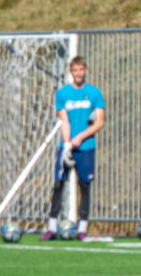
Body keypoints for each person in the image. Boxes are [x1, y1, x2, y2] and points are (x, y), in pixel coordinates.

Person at [40, 56, 105, 242]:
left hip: (86, 148)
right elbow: (64, 121)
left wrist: (80, 138)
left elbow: (99, 122)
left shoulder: (94, 93)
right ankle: (52, 228)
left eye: (81, 69)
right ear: (71, 72)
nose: (78, 73)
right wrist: (67, 143)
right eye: (75, 70)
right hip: (67, 147)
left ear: (86, 70)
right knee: (58, 184)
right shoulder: (62, 94)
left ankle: (82, 229)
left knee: (84, 186)